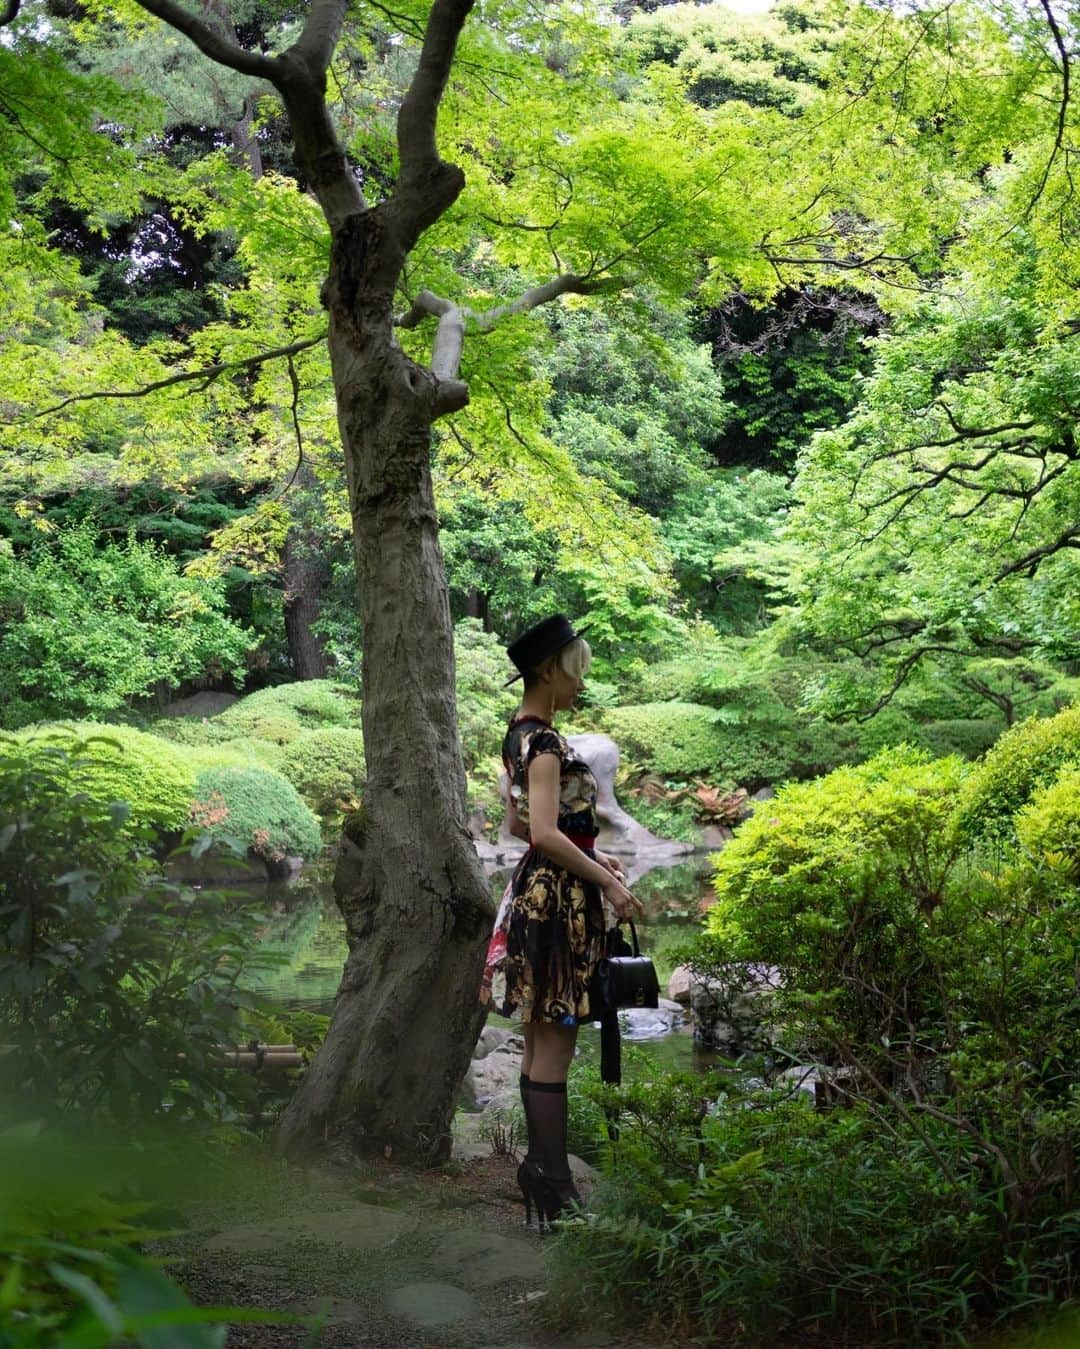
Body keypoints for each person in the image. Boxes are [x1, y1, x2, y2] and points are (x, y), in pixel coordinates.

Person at [479, 614, 644, 1230]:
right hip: (557, 904)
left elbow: (526, 827)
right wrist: (605, 883)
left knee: (542, 1037)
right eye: (575, 672)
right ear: (550, 670)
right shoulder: (545, 743)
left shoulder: (518, 737)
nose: (579, 686)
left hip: (544, 892)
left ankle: (544, 1173)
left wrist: (596, 855)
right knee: (556, 1038)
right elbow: (544, 832)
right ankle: (557, 1184)